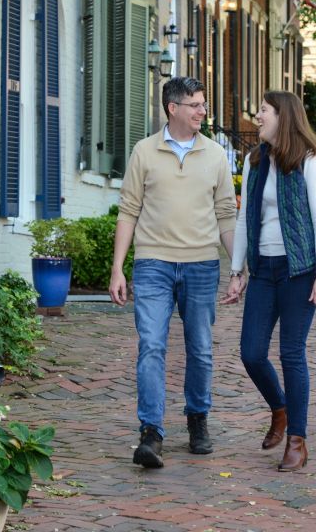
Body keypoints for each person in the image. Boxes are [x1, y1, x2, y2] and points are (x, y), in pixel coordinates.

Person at [109, 76, 237, 469]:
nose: (202, 111)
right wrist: (117, 269)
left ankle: (198, 418)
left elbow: (226, 215)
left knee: (200, 348)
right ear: (173, 108)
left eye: (203, 103)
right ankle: (151, 432)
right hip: (153, 265)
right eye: (195, 104)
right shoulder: (144, 152)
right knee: (151, 345)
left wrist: (238, 267)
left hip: (202, 264)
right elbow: (128, 211)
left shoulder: (215, 155)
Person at [222, 90, 316, 472]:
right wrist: (236, 272)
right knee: (251, 352)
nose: (257, 116)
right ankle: (280, 408)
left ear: (283, 116)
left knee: (291, 353)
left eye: (263, 110)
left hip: (298, 271)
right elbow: (243, 219)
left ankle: (297, 441)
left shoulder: (309, 161)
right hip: (263, 271)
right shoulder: (254, 161)